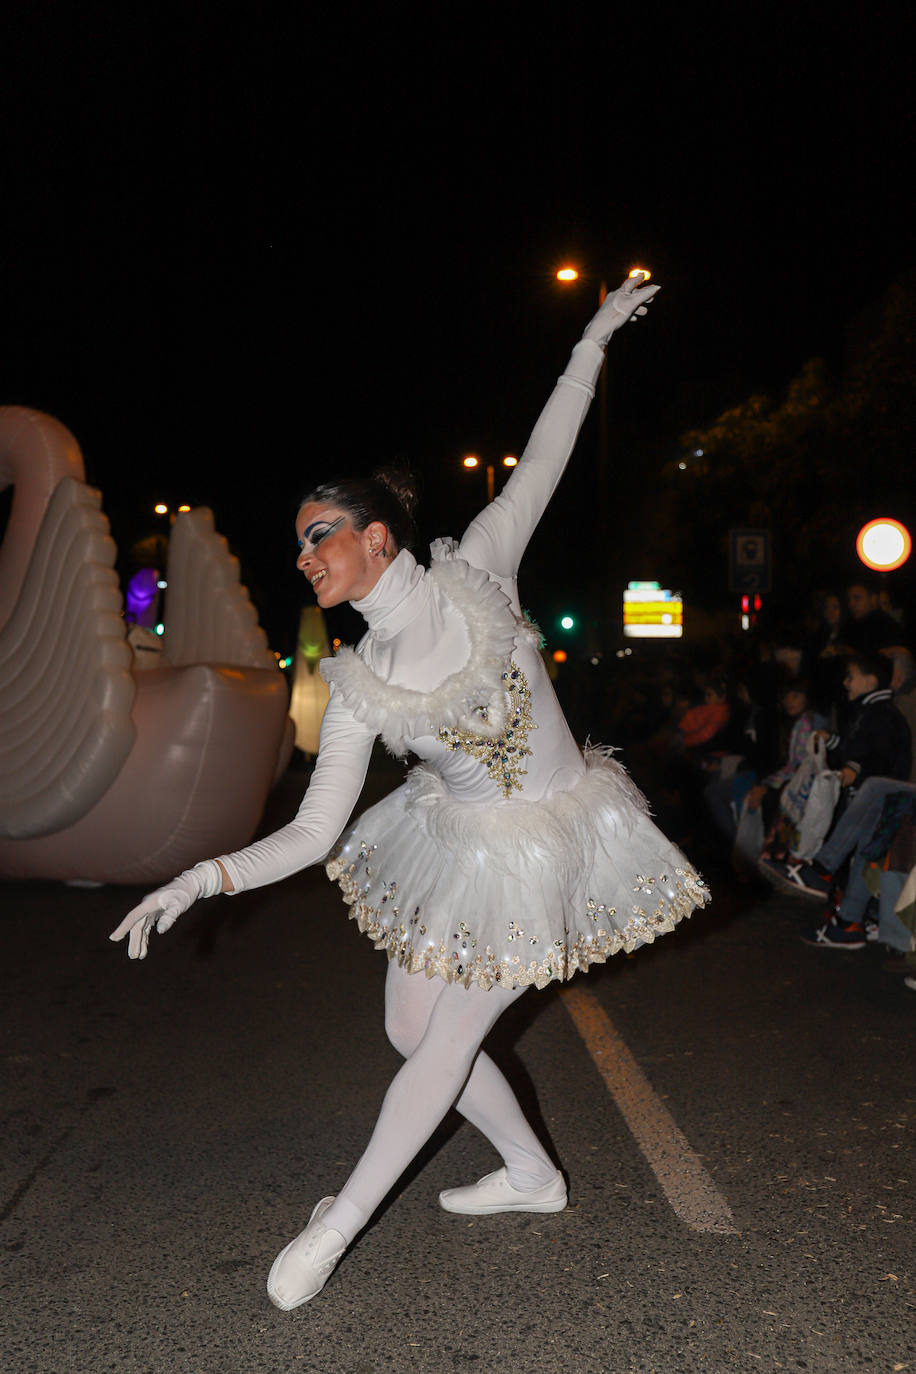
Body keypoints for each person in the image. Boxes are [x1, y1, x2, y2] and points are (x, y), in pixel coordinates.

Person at [110, 274, 709, 1310]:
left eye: (319, 535)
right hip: (463, 845)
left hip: (552, 839)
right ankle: (531, 1174)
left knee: (442, 1041)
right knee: (406, 1028)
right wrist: (198, 880)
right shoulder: (355, 688)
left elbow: (551, 453)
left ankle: (333, 1228)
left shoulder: (480, 569)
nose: (304, 557)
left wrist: (593, 338)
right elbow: (309, 834)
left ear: (378, 535)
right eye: (298, 544)